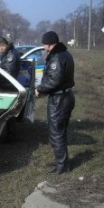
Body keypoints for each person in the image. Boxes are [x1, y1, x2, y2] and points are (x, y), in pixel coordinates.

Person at [35, 31, 75, 175]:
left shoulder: (57, 57)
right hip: (66, 96)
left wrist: (40, 89)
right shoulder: (66, 54)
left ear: (50, 43)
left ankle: (61, 167)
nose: (45, 47)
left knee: (56, 133)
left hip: (59, 99)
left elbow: (54, 81)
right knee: (60, 130)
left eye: (45, 44)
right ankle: (62, 162)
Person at [0, 37, 21, 142]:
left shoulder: (11, 56)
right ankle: (8, 134)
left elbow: (8, 74)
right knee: (7, 112)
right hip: (6, 87)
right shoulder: (7, 54)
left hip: (8, 87)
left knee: (9, 113)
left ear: (3, 46)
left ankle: (10, 136)